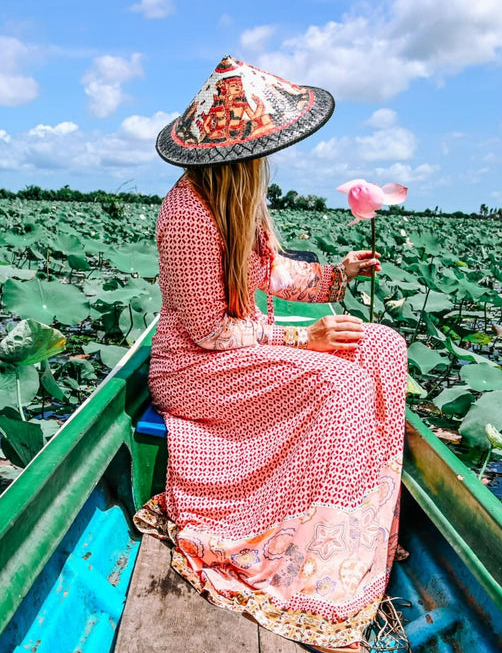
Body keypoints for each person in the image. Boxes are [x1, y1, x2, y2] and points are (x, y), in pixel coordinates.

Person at [133, 55, 408, 653]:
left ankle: (354, 528)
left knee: (383, 347)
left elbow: (272, 271)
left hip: (240, 349)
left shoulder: (239, 200)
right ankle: (310, 563)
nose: (265, 159)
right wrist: (301, 339)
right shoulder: (186, 215)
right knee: (339, 384)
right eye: (259, 150)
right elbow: (207, 333)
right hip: (196, 369)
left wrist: (335, 276)